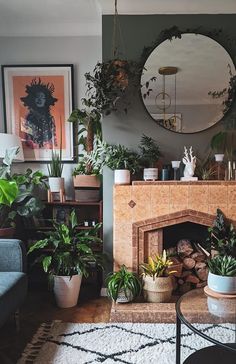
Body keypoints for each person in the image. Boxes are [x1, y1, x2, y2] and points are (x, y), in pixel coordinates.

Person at [20, 78, 58, 148]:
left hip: (47, 150)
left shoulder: (50, 118)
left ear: (46, 101)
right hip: (33, 149)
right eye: (37, 97)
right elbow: (27, 138)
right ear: (32, 99)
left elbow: (54, 138)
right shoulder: (28, 118)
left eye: (42, 97)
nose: (39, 99)